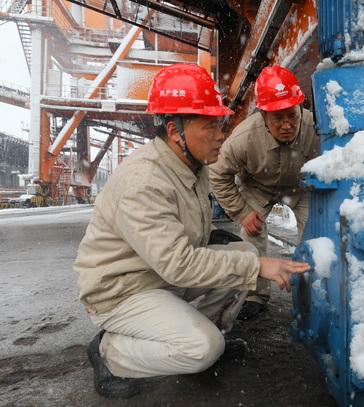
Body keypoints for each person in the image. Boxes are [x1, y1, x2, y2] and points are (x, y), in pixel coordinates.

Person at [74, 63, 310, 399]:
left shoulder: (190, 163)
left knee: (241, 253)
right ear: (174, 130)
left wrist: (229, 250)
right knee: (203, 348)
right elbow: (177, 264)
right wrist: (257, 266)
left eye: (221, 124)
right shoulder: (144, 181)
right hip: (122, 289)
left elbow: (180, 236)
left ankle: (203, 330)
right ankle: (112, 352)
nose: (221, 135)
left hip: (155, 276)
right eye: (210, 126)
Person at [209, 66, 320, 320]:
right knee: (252, 235)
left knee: (317, 236)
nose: (287, 125)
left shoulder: (316, 128)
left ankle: (313, 293)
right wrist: (242, 212)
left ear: (300, 108)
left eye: (292, 116)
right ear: (262, 115)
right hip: (257, 187)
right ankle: (255, 295)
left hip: (301, 188)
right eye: (277, 118)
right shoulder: (243, 138)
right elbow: (217, 174)